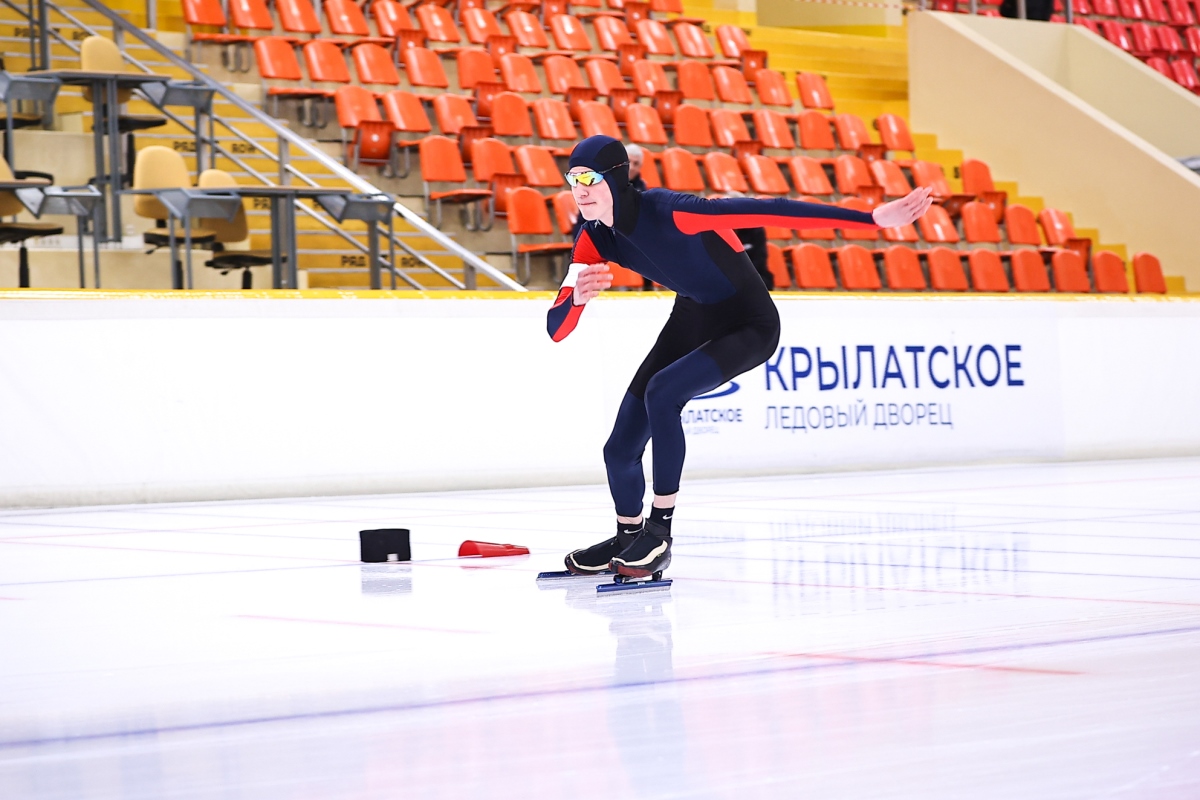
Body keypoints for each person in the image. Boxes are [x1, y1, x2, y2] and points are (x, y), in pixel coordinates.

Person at [547, 135, 932, 580]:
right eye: (572, 178)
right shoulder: (593, 237)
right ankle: (627, 536)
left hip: (749, 323)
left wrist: (869, 219)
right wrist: (575, 298)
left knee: (663, 392)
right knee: (618, 449)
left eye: (590, 178)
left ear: (616, 178)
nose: (580, 188)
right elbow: (556, 329)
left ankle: (659, 532)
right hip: (693, 314)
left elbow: (769, 209)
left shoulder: (671, 210)